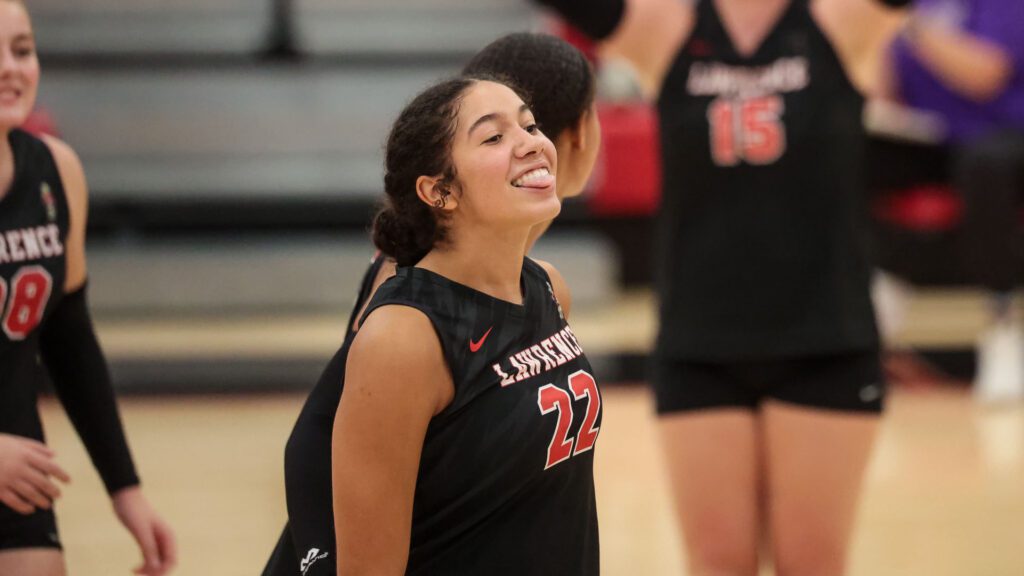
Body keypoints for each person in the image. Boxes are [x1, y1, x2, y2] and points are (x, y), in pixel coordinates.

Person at [529, 0, 912, 574]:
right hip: (699, 341)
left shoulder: (839, 19)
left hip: (827, 335)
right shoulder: (667, 26)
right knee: (717, 563)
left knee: (811, 563)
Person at [261, 33, 601, 576]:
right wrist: (319, 558)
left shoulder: (546, 288)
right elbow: (317, 436)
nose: (530, 142)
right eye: (492, 137)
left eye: (530, 124)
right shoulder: (406, 324)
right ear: (438, 191)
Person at [0, 1, 176, 574]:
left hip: (15, 458)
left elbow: (70, 340)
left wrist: (125, 488)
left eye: (22, 50)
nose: (10, 68)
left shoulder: (57, 171)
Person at [886, 0, 1024, 403]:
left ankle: (1002, 325)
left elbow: (986, 76)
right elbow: (884, 93)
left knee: (983, 166)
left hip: (1004, 137)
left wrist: (911, 24)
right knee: (847, 148)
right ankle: (874, 279)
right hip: (932, 140)